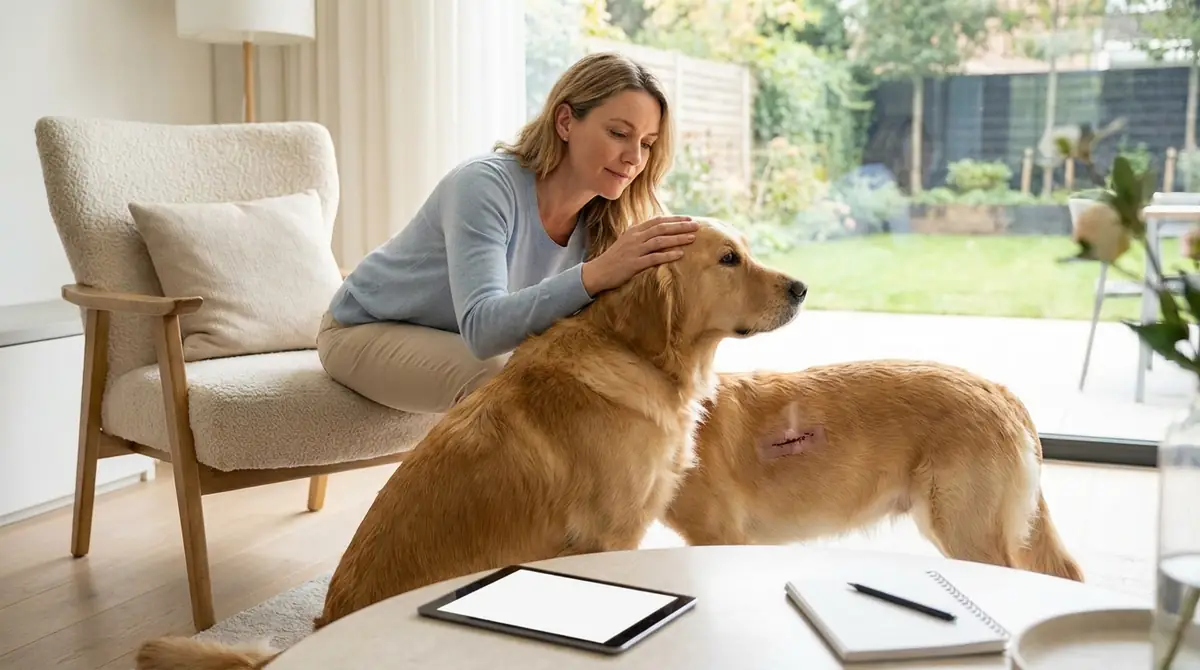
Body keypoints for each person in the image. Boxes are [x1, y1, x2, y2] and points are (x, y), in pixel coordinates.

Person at [317, 52, 698, 414]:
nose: (634, 157)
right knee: (500, 378)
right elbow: (483, 330)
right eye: (619, 133)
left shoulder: (604, 223)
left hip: (448, 338)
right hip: (361, 328)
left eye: (647, 144)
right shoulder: (483, 185)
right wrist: (597, 273)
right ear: (565, 122)